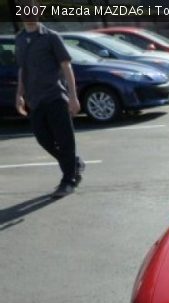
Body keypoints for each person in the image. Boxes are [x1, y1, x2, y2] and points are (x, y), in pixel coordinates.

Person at [15, 1, 85, 198]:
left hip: (55, 96)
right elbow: (22, 70)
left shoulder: (51, 37)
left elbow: (66, 66)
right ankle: (74, 163)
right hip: (34, 100)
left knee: (65, 141)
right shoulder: (19, 39)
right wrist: (19, 95)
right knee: (43, 139)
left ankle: (68, 179)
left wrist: (73, 96)